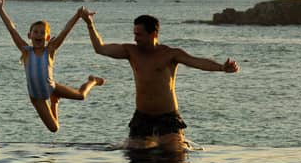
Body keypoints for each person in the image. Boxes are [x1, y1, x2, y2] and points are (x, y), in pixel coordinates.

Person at [81, 10, 238, 151]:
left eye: (139, 35)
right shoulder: (130, 51)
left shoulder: (170, 54)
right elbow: (100, 48)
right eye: (134, 34)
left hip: (167, 116)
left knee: (173, 158)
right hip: (142, 116)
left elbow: (197, 62)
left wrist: (221, 68)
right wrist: (90, 24)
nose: (135, 38)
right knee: (136, 160)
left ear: (153, 34)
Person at [0, 0, 105, 133]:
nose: (39, 35)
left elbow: (65, 31)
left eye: (42, 32)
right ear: (29, 35)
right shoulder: (26, 51)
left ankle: (92, 81)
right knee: (54, 128)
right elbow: (12, 29)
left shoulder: (50, 50)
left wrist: (78, 15)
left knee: (81, 96)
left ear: (47, 37)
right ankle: (54, 103)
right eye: (35, 32)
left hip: (52, 87)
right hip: (36, 97)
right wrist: (0, 11)